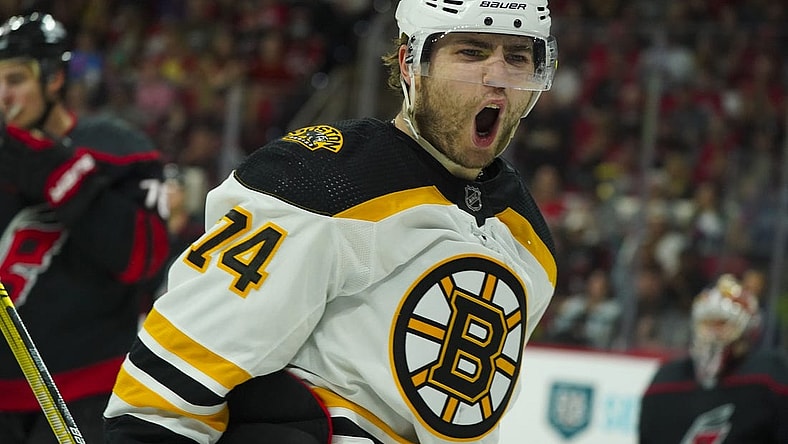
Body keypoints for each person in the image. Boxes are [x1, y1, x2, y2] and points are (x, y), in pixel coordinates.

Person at [103, 0, 559, 442]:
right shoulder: (320, 182)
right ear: (409, 63)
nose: (497, 76)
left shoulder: (532, 245)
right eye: (471, 52)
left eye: (518, 57)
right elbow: (170, 385)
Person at [0, 12, 170, 443]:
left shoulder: (120, 149)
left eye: (15, 80)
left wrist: (61, 174)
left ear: (54, 78)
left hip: (88, 392)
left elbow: (146, 261)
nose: (3, 96)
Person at [638, 274, 788, 443]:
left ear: (748, 329)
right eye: (707, 323)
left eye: (722, 323)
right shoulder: (664, 384)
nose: (713, 334)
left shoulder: (769, 377)